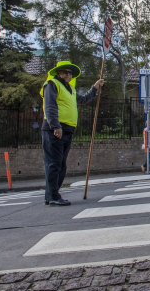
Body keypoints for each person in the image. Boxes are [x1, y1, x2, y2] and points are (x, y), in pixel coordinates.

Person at [40, 61, 104, 206]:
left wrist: (95, 87)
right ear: (59, 73)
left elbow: (83, 100)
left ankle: (51, 195)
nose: (68, 75)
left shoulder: (70, 89)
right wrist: (55, 126)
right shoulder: (52, 84)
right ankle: (53, 196)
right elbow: (49, 105)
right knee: (54, 164)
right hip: (55, 130)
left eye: (70, 73)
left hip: (67, 130)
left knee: (61, 165)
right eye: (65, 72)